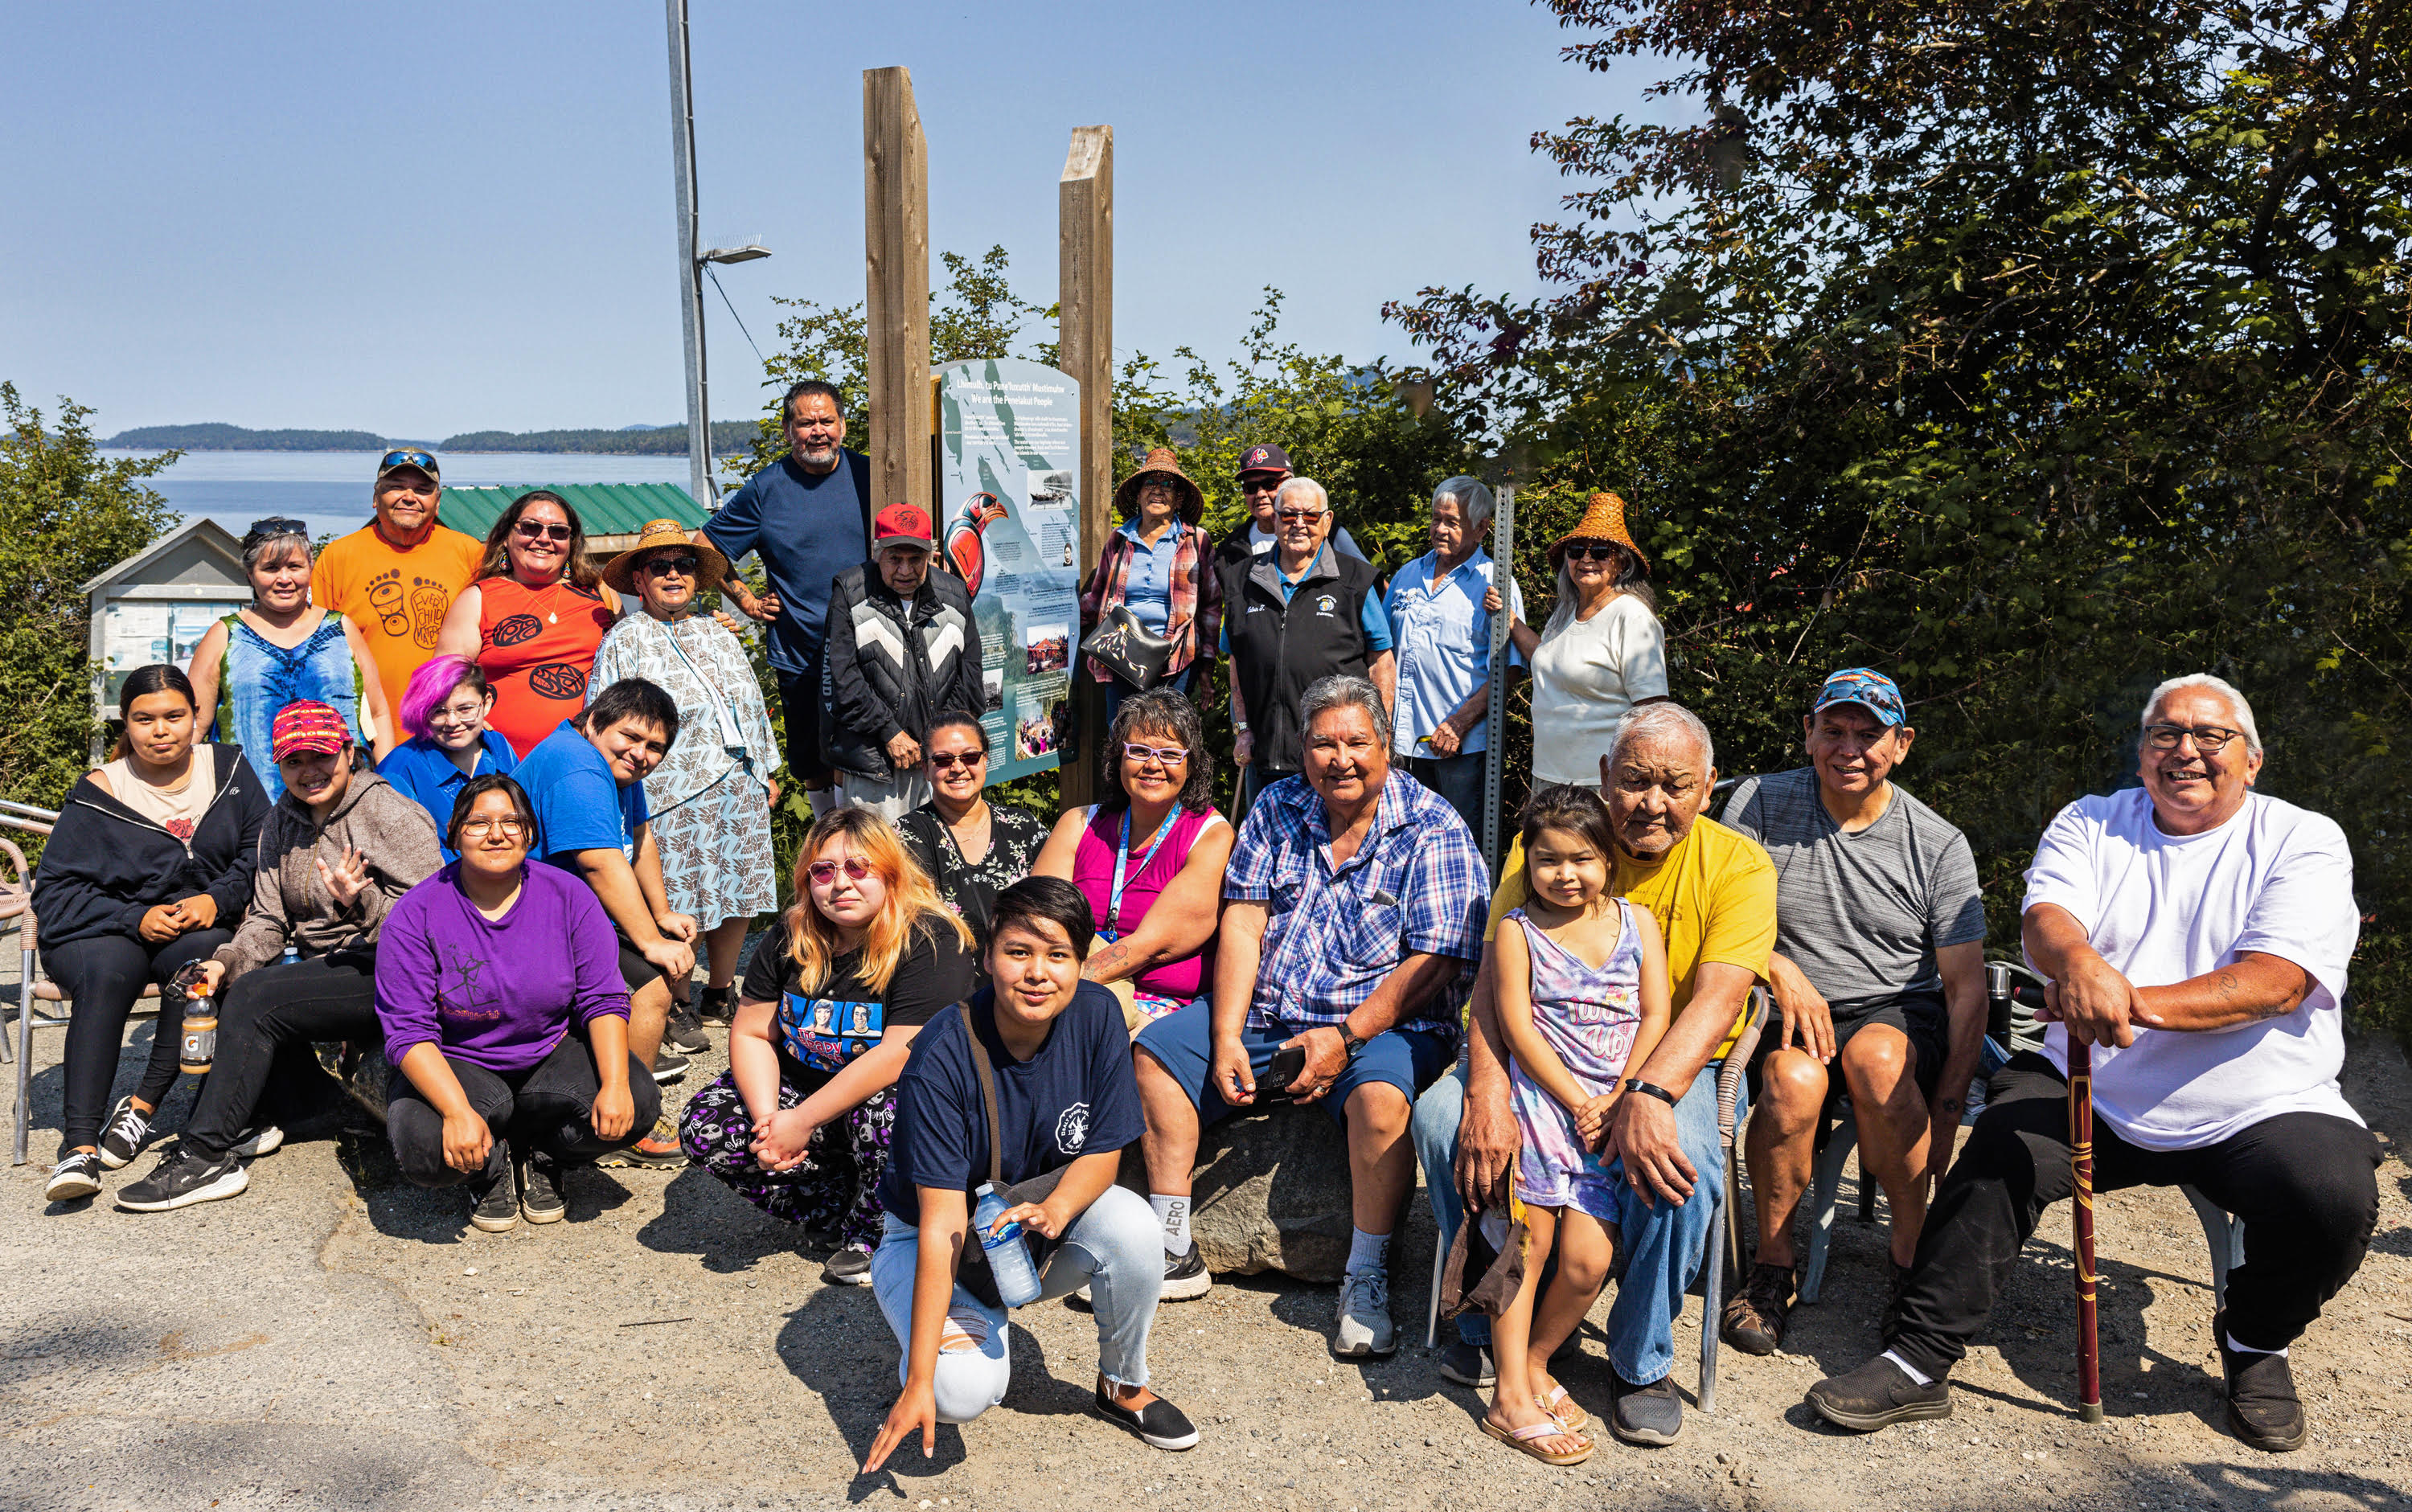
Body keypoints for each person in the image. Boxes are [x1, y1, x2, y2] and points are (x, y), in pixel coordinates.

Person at [1807, 676, 2377, 1455]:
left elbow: (2276, 982)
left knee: (2332, 1196)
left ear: (2253, 758)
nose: (2186, 750)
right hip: (2092, 1079)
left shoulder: (2301, 838)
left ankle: (2255, 1341)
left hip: (2259, 1096)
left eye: (2211, 736)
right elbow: (2047, 919)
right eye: (2164, 734)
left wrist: (2115, 997)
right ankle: (1918, 1358)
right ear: (2143, 755)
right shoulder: (2094, 821)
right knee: (1999, 1158)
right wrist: (2074, 959)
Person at [1412, 701, 1774, 1447]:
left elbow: (1716, 999)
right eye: (1636, 780)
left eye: (1675, 785)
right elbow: (1493, 985)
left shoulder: (1739, 864)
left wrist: (1643, 1091)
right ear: (1607, 777)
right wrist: (1485, 1089)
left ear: (1709, 787)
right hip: (1540, 1059)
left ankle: (1640, 1358)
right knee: (1444, 1120)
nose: (1652, 801)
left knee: (1687, 1164)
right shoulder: (1543, 848)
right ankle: (1489, 1315)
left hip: (1669, 1060)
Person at [1134, 676, 1483, 1346]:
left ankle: (1366, 1272)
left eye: (1357, 741)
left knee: (1382, 1100)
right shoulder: (1277, 803)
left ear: (1386, 745)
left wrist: (1344, 1037)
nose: (1340, 757)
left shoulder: (1432, 825)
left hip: (1381, 1026)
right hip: (1270, 1012)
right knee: (1157, 1054)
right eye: (1323, 742)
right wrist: (1228, 1031)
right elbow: (1243, 920)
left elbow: (1435, 961)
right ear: (1302, 747)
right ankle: (1170, 1241)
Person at [861, 877, 1200, 1468]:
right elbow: (942, 1223)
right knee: (957, 1391)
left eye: (1058, 954)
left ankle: (1122, 1382)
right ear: (989, 955)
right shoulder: (941, 1054)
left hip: (1027, 1222)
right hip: (936, 1241)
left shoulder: (1096, 1014)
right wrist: (919, 1377)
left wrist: (1059, 1209)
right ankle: (935, 1347)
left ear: (1082, 960)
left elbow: (1103, 1150)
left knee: (1134, 1225)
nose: (1038, 972)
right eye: (1019, 952)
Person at [1717, 669, 1988, 1354]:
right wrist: (1779, 965)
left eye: (1870, 735)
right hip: (1784, 1007)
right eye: (1833, 730)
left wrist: (1951, 1109)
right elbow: (1718, 913)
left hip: (1894, 1006)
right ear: (1808, 734)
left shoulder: (1938, 842)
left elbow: (1966, 988)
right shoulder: (1759, 802)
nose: (1850, 748)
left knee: (1877, 1061)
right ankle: (1771, 1268)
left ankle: (1910, 1262)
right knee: (1789, 1082)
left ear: (1902, 744)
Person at [115, 701, 444, 1211]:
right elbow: (268, 920)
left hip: (398, 967)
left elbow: (437, 924)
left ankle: (205, 1156)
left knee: (258, 997)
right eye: (294, 761)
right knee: (222, 980)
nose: (309, 771)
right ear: (280, 765)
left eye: (321, 756)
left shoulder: (388, 813)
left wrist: (361, 902)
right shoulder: (280, 821)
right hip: (330, 967)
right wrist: (224, 961)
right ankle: (291, 1108)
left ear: (348, 752)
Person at [679, 809, 976, 1285]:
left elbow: (902, 1051)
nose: (841, 883)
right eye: (824, 870)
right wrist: (768, 1122)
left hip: (902, 1092)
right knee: (706, 1125)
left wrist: (800, 1120)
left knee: (884, 1112)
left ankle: (878, 1228)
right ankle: (834, 1205)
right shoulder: (790, 934)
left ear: (892, 873)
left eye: (859, 868)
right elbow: (753, 1032)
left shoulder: (930, 939)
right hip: (807, 1086)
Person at [375, 775, 663, 1231]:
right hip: (460, 1063)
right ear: (453, 833)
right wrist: (456, 1112)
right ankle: (489, 1164)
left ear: (530, 833)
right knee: (426, 1151)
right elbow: (408, 1030)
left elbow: (603, 997)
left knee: (638, 1099)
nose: (497, 833)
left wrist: (613, 1083)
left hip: (547, 1054)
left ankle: (546, 1154)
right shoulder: (416, 912)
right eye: (478, 822)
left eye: (512, 821)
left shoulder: (569, 896)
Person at [1479, 785, 1672, 1465]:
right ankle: (1508, 1397)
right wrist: (1576, 1099)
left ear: (1608, 860)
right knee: (1526, 1248)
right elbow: (1516, 1025)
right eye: (1548, 859)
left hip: (1613, 1112)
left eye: (1582, 859)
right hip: (1542, 1107)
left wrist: (1621, 1096)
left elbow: (1655, 1015)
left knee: (1588, 1261)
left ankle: (1534, 1361)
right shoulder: (1517, 930)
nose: (1566, 874)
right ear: (1528, 863)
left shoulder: (1636, 922)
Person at [35, 666, 269, 1204]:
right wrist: (133, 918)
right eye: (145, 719)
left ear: (197, 718)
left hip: (191, 926)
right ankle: (79, 1147)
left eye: (173, 715)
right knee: (109, 971)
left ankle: (141, 1107)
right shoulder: (101, 789)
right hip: (97, 929)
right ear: (127, 722)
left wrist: (218, 898)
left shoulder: (229, 770)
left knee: (201, 958)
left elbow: (261, 854)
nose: (160, 729)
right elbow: (55, 890)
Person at [590, 519, 781, 1028]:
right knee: (675, 894)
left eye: (685, 565)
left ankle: (720, 991)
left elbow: (751, 703)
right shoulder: (625, 639)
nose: (673, 574)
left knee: (738, 888)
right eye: (660, 566)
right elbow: (602, 717)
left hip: (736, 783)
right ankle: (676, 999)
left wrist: (765, 770)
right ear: (638, 580)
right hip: (666, 790)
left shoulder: (717, 633)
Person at [511, 678, 698, 1163]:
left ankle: (624, 1112)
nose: (641, 753)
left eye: (655, 747)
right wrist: (651, 943)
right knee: (650, 983)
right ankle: (624, 1123)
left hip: (563, 913)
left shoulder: (612, 767)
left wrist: (660, 915)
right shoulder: (576, 765)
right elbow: (598, 860)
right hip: (523, 922)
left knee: (656, 971)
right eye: (631, 737)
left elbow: (638, 836)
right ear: (594, 721)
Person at [702, 379, 876, 819]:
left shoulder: (871, 475)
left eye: (826, 420)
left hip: (869, 644)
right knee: (810, 761)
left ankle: (864, 847)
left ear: (842, 425)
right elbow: (706, 547)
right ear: (788, 431)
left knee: (860, 754)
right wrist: (746, 601)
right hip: (800, 648)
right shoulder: (767, 488)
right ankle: (826, 839)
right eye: (805, 423)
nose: (817, 431)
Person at [1033, 689, 1232, 1041]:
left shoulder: (1210, 837)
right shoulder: (1077, 825)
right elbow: (1037, 921)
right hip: (1069, 993)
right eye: (1139, 751)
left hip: (1162, 1007)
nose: (1153, 765)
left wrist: (1055, 979)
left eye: (1170, 754)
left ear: (1192, 764)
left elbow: (1150, 945)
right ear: (1118, 758)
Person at [1218, 477, 1396, 820]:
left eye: (1310, 516)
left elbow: (1381, 661)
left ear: (1327, 522)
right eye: (1289, 515)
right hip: (1266, 753)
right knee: (1271, 850)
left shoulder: (1355, 580)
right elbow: (1237, 660)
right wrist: (1243, 729)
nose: (1299, 524)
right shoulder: (1242, 581)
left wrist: (1380, 735)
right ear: (1275, 520)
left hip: (1338, 760)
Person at [190, 517, 395, 800]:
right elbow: (195, 724)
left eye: (294, 567)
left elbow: (377, 715)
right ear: (250, 574)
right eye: (270, 568)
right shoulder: (225, 636)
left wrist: (384, 787)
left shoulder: (341, 629)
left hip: (345, 803)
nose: (284, 578)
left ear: (310, 569)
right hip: (252, 808)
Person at [822, 502, 983, 822]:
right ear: (877, 554)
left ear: (931, 556)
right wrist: (889, 732)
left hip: (941, 765)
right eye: (895, 559)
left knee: (940, 857)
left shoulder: (954, 593)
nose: (906, 570)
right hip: (875, 767)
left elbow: (970, 674)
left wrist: (939, 739)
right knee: (877, 859)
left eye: (916, 559)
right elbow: (843, 678)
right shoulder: (851, 592)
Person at [1497, 490, 1669, 790]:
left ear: (1621, 562)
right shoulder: (1565, 612)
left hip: (1601, 784)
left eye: (1601, 551)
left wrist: (1640, 786)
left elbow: (1652, 711)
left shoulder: (1631, 617)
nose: (1587, 558)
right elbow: (1546, 657)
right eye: (1577, 550)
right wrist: (1509, 620)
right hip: (1548, 776)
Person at [435, 490, 622, 761]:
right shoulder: (478, 599)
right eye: (530, 528)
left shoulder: (600, 594)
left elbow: (627, 664)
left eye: (558, 532)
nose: (544, 539)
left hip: (584, 762)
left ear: (572, 542)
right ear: (507, 537)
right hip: (500, 764)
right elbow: (441, 683)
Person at [1384, 477, 1525, 836]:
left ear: (1481, 529)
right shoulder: (1407, 575)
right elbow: (1381, 652)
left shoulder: (1495, 581)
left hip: (1459, 749)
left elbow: (1510, 669)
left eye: (1452, 522)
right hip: (1401, 746)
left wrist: (1460, 723)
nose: (1440, 529)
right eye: (1436, 519)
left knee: (1457, 844)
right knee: (1402, 841)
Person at [310, 448, 486, 714]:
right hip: (366, 727)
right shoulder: (337, 557)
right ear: (375, 497)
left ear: (437, 502)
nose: (409, 497)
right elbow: (316, 649)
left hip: (449, 726)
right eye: (396, 487)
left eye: (422, 490)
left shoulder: (471, 553)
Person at [1077, 447, 1222, 723]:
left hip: (1176, 659)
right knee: (1122, 734)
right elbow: (1095, 598)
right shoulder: (1119, 540)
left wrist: (1206, 664)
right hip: (1121, 656)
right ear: (1139, 494)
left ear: (1178, 499)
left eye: (1167, 484)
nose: (1158, 490)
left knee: (1169, 736)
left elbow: (1211, 608)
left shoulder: (1196, 541)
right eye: (1150, 483)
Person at [895, 715, 1051, 957]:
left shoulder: (1022, 825)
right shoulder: (908, 834)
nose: (958, 768)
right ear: (926, 769)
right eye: (943, 760)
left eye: (970, 757)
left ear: (985, 760)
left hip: (1023, 973)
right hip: (947, 976)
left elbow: (1056, 901)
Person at [375, 655, 519, 863]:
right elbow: (402, 855)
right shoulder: (399, 770)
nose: (452, 722)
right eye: (438, 711)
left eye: (465, 709)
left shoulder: (498, 744)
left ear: (486, 704)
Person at [1208, 442, 1368, 582]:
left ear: (1290, 483)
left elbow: (1367, 584)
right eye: (1251, 487)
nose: (1260, 494)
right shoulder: (1230, 548)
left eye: (1270, 484)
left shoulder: (1329, 534)